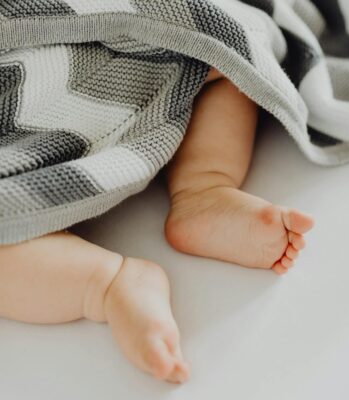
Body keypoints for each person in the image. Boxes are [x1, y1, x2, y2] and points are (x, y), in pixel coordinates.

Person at [0, 67, 314, 384]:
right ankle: (107, 282)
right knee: (225, 66)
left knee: (230, 60)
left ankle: (204, 185)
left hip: (114, 55)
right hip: (27, 115)